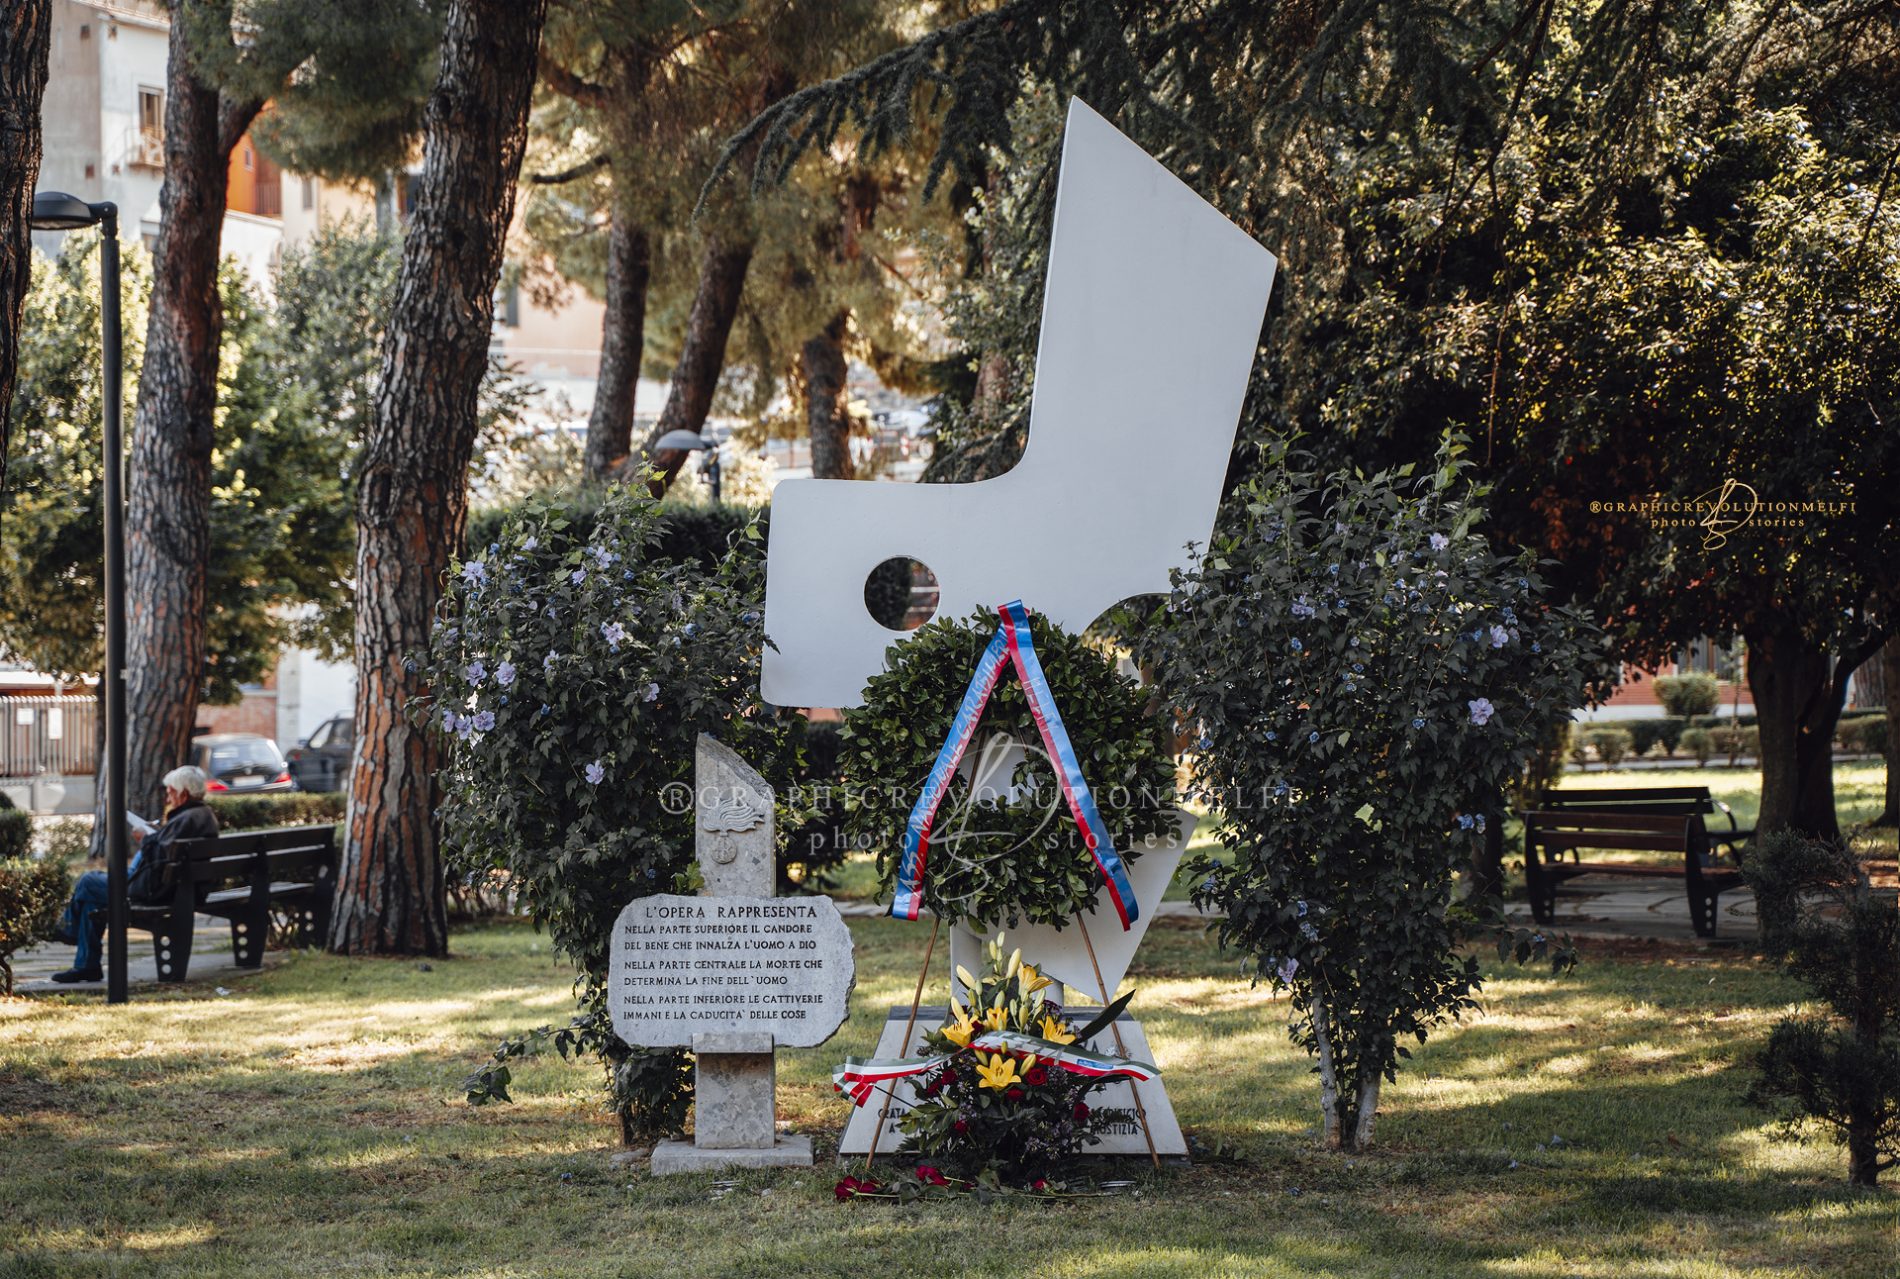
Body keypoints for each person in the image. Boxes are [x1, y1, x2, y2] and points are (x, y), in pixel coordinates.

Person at [49, 765, 220, 983]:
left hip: (154, 890)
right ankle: (86, 966)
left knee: (88, 881)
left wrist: (145, 838)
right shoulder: (201, 816)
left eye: (170, 791)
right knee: (92, 901)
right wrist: (155, 834)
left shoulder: (187, 818)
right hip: (176, 888)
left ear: (184, 794)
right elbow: (170, 850)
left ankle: (67, 930)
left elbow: (159, 855)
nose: (167, 796)